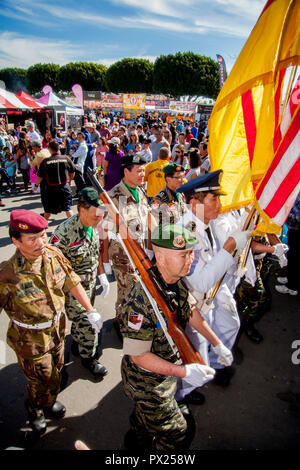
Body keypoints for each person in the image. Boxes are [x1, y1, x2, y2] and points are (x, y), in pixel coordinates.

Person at [120, 223, 233, 450]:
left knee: (145, 420)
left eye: (191, 253)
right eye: (183, 255)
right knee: (178, 433)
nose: (190, 260)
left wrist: (217, 343)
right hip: (147, 382)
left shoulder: (174, 279)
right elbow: (138, 356)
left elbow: (191, 312)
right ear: (160, 258)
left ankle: (136, 439)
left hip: (167, 369)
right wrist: (185, 372)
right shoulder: (138, 302)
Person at [0, 209, 102, 434]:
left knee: (56, 370)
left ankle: (48, 401)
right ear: (16, 241)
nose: (41, 242)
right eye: (32, 239)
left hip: (57, 330)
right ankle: (35, 408)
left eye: (43, 235)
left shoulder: (53, 254)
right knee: (40, 378)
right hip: (30, 340)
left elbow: (72, 280)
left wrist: (90, 309)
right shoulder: (7, 274)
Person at [176, 171, 251, 387]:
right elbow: (198, 282)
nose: (219, 204)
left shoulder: (205, 223)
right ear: (194, 204)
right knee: (194, 350)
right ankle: (185, 394)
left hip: (213, 290)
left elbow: (212, 259)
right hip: (194, 301)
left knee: (230, 322)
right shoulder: (185, 232)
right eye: (213, 198)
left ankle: (217, 364)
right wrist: (229, 246)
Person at [49, 188, 109, 378]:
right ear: (82, 209)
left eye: (101, 216)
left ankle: (78, 341)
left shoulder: (94, 224)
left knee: (83, 323)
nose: (98, 220)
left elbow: (95, 251)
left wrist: (101, 275)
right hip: (72, 289)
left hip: (90, 284)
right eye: (95, 216)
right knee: (88, 323)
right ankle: (88, 358)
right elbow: (55, 270)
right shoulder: (64, 234)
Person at [108, 154, 156, 327]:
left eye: (144, 170)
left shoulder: (140, 191)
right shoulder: (114, 196)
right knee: (129, 290)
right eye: (138, 171)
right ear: (126, 172)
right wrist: (104, 262)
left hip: (139, 251)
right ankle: (123, 324)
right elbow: (105, 229)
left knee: (134, 291)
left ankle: (123, 319)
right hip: (123, 255)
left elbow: (148, 217)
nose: (143, 174)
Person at [34, 140, 75, 221]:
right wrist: (69, 181)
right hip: (64, 187)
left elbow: (40, 176)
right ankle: (75, 227)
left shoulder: (46, 161)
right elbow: (73, 171)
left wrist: (36, 185)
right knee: (68, 208)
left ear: (49, 149)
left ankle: (43, 227)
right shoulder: (66, 158)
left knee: (48, 210)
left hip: (51, 189)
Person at [275, 193, 300, 296]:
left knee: (294, 255)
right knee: (293, 254)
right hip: (295, 226)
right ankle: (291, 278)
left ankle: (292, 286)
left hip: (297, 227)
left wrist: (287, 216)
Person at [70, 132, 88, 196]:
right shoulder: (80, 145)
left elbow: (75, 155)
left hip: (79, 165)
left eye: (80, 137)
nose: (78, 139)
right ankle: (78, 193)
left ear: (83, 138)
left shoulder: (83, 146)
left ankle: (83, 195)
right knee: (77, 181)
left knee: (80, 181)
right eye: (78, 137)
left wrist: (72, 153)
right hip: (76, 164)